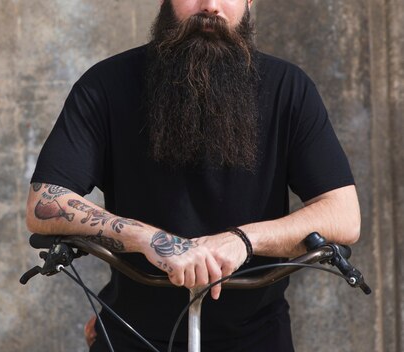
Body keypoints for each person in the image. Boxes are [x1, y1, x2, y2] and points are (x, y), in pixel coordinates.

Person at [25, 0, 361, 351]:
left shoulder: (289, 88)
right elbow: (44, 200)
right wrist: (154, 242)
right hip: (130, 334)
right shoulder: (105, 85)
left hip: (258, 337)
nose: (210, 6)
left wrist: (241, 240)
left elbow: (343, 215)